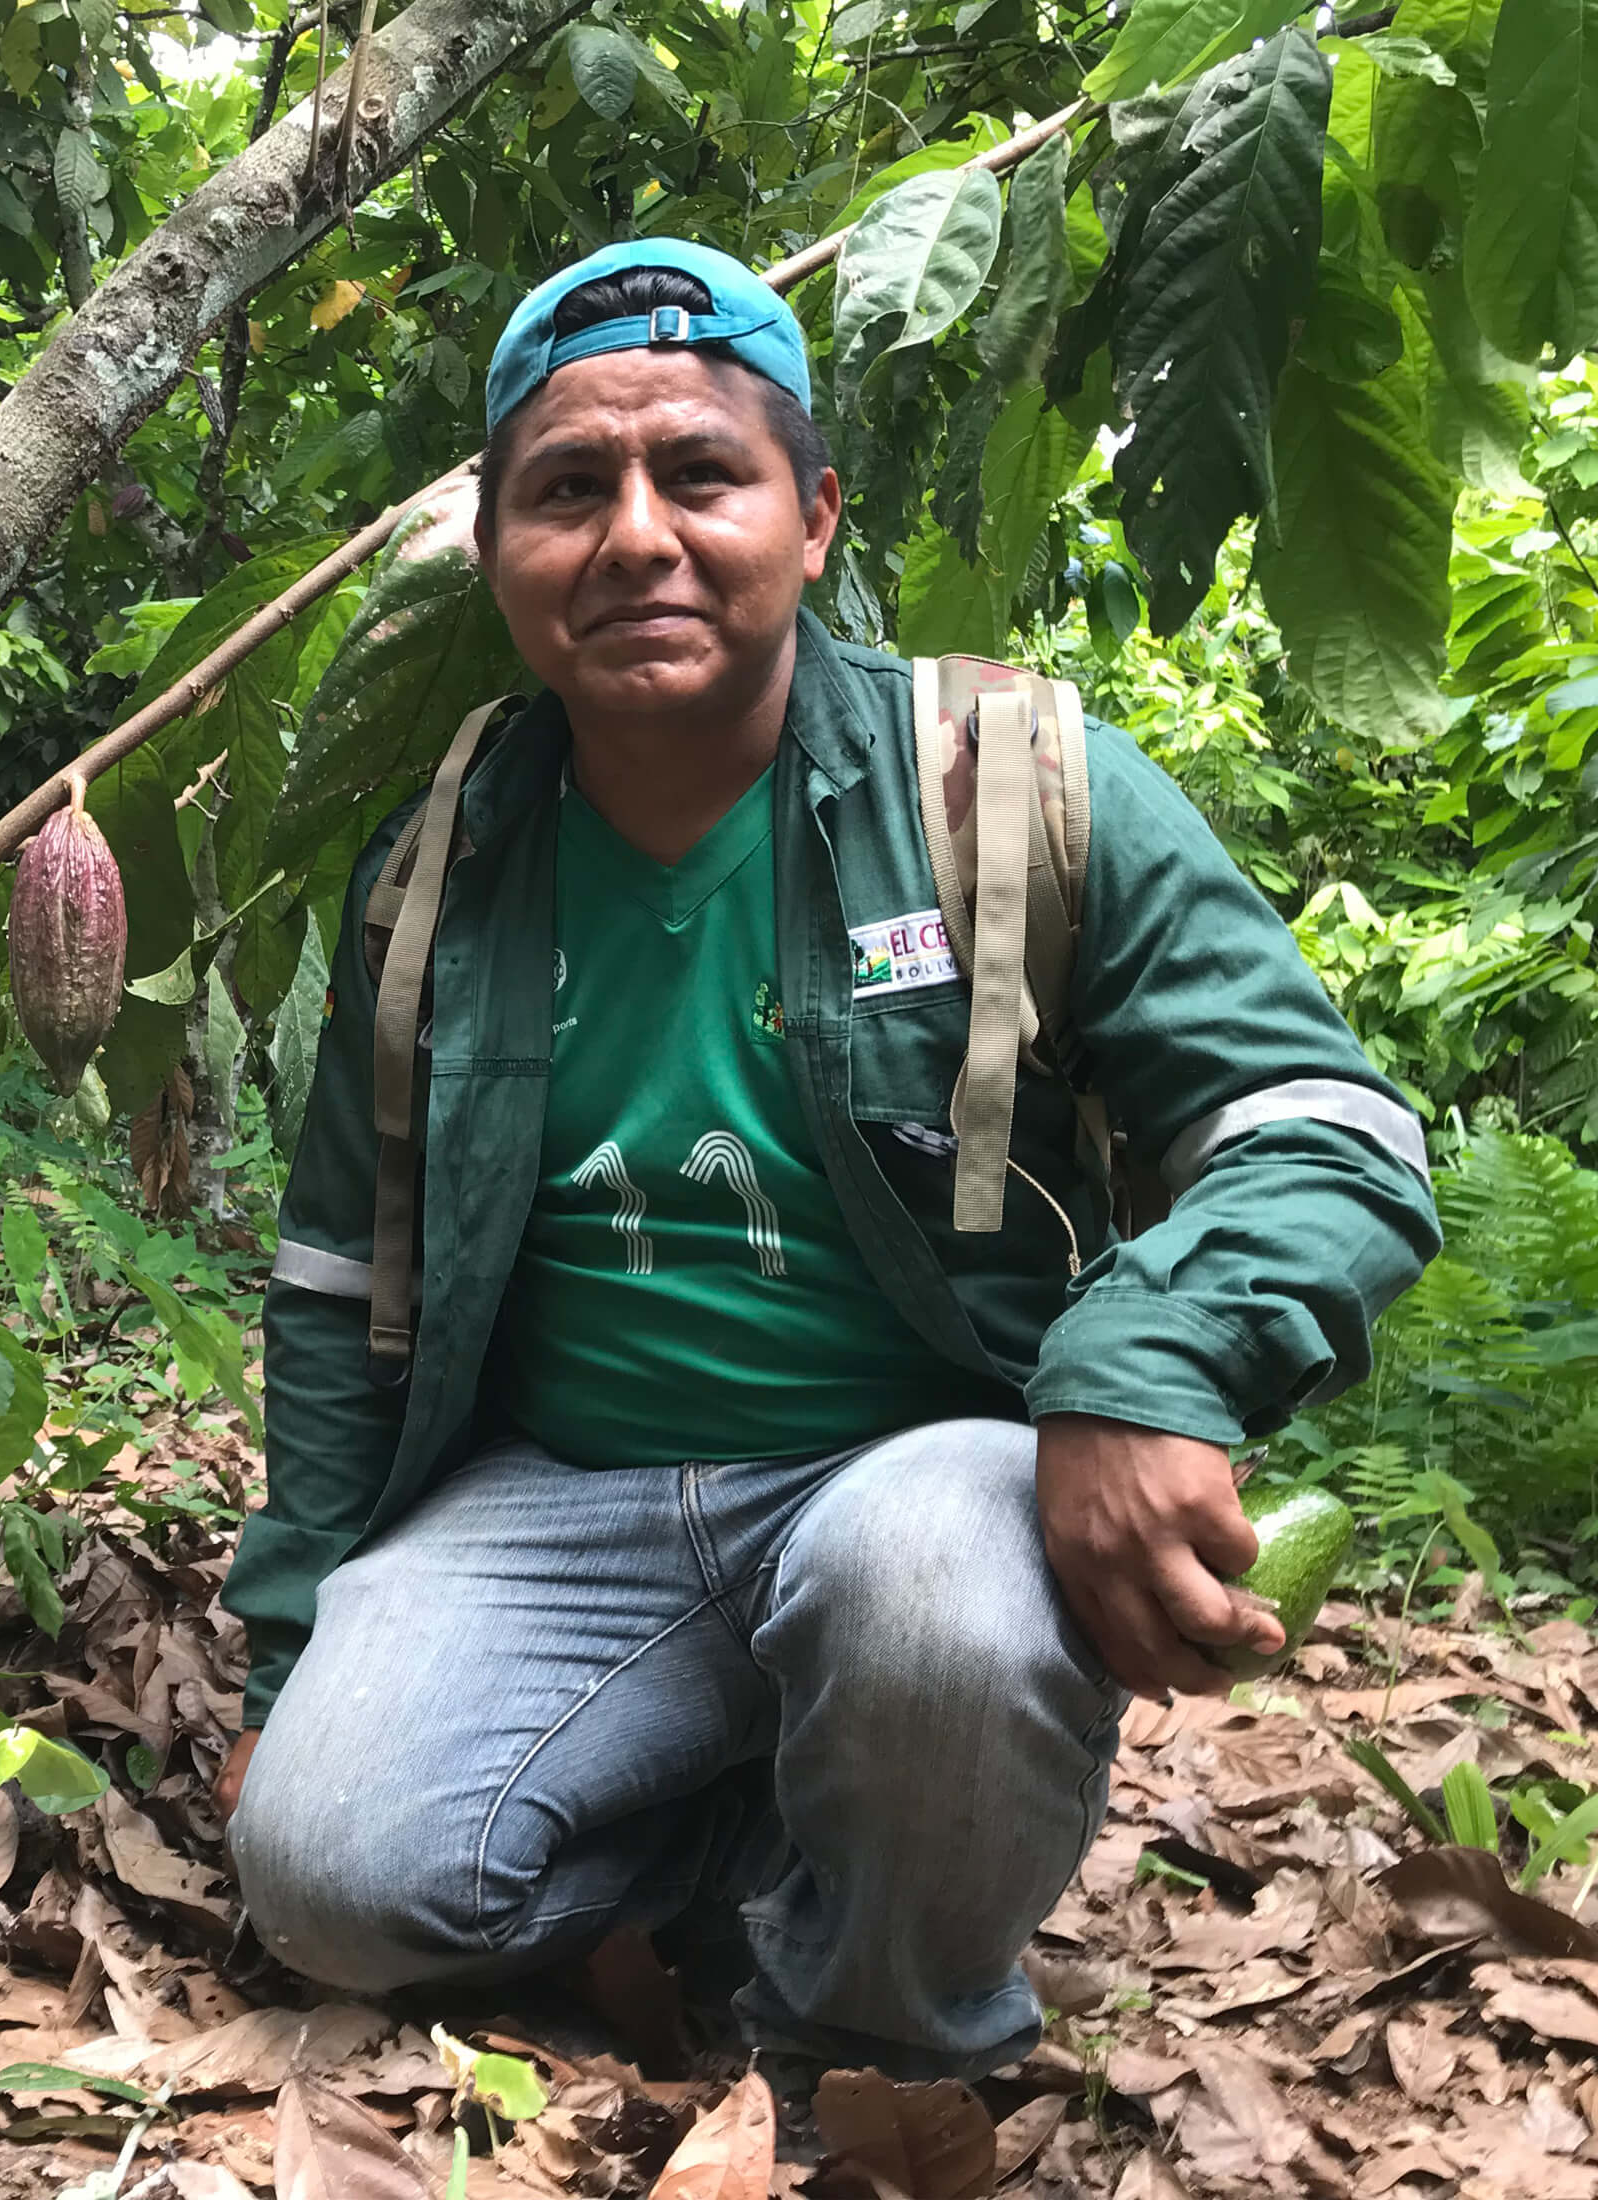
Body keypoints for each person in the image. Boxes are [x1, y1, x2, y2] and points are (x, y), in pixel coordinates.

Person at [210, 237, 1441, 2079]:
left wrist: (1142, 1364)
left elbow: (1325, 1132)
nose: (636, 535)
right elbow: (333, 1287)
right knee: (329, 1884)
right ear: (495, 553)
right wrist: (284, 1649)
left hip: (907, 1472)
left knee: (933, 1607)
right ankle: (744, 1852)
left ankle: (872, 2053)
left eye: (700, 472)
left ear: (810, 516)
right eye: (567, 489)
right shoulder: (440, 860)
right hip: (561, 1497)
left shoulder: (1011, 785)